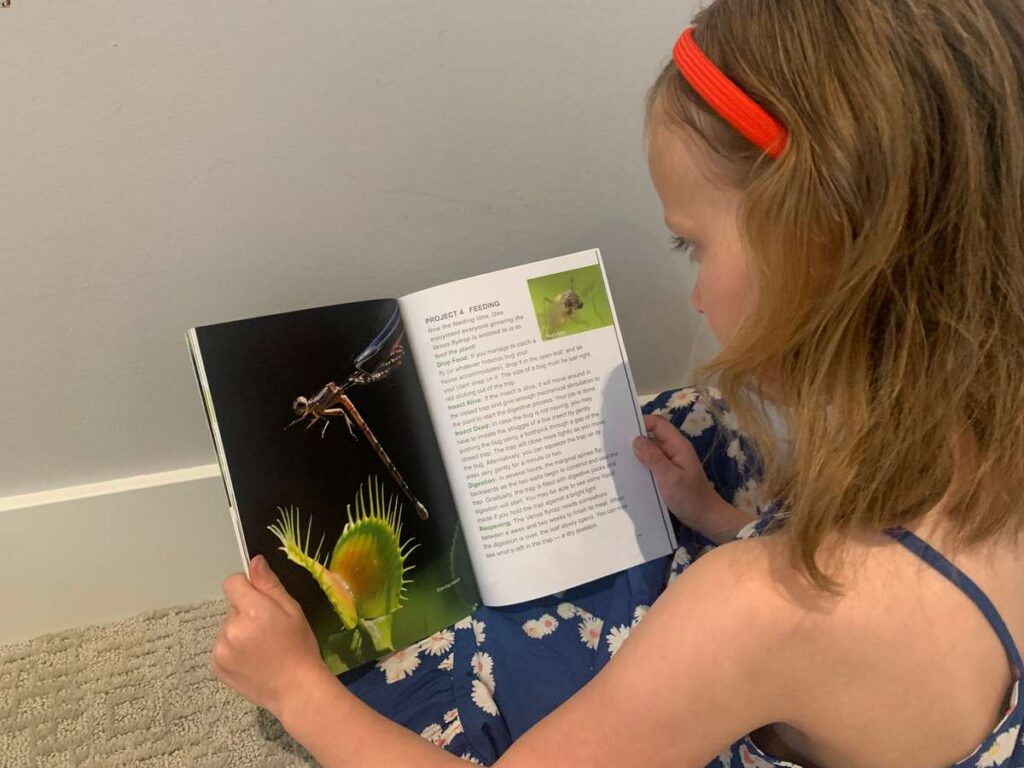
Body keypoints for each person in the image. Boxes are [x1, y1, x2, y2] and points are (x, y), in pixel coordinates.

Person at [211, 0, 1024, 765]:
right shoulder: (986, 436)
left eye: (692, 247)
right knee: (681, 422)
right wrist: (719, 516)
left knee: (403, 678)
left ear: (819, 246)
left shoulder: (756, 608)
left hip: (759, 655)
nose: (696, 293)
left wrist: (296, 690)